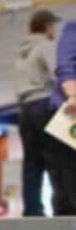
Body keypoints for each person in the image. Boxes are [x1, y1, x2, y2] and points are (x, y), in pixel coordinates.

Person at [14, 10, 59, 216]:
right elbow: (58, 73)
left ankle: (32, 211)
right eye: (53, 26)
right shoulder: (46, 45)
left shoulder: (21, 51)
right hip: (44, 104)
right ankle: (62, 208)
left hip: (24, 110)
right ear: (47, 26)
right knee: (54, 158)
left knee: (31, 162)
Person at [48, 19, 76, 215]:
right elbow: (65, 64)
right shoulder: (73, 29)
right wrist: (73, 95)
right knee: (68, 171)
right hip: (70, 111)